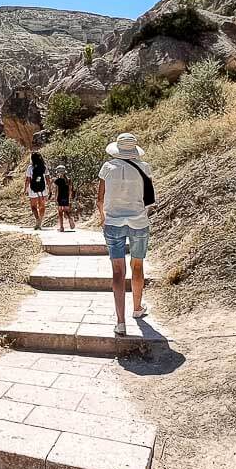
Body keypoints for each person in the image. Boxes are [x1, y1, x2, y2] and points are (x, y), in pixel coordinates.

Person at [95, 132, 153, 335]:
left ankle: (120, 322)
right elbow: (148, 198)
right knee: (137, 266)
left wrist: (103, 217)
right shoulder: (144, 167)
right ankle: (137, 308)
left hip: (113, 223)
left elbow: (100, 199)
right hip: (138, 222)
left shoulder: (107, 167)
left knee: (118, 272)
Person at [25, 151, 50, 229]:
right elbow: (48, 179)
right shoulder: (44, 167)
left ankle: (37, 219)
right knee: (42, 206)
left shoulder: (30, 168)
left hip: (33, 189)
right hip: (42, 189)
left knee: (33, 206)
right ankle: (40, 221)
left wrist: (25, 189)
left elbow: (28, 180)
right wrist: (50, 189)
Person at [53, 165, 75, 232]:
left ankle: (61, 227)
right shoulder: (68, 180)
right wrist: (69, 197)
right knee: (66, 210)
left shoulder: (57, 180)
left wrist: (55, 198)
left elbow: (56, 190)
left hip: (60, 197)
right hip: (66, 196)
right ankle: (70, 218)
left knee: (60, 212)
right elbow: (70, 190)